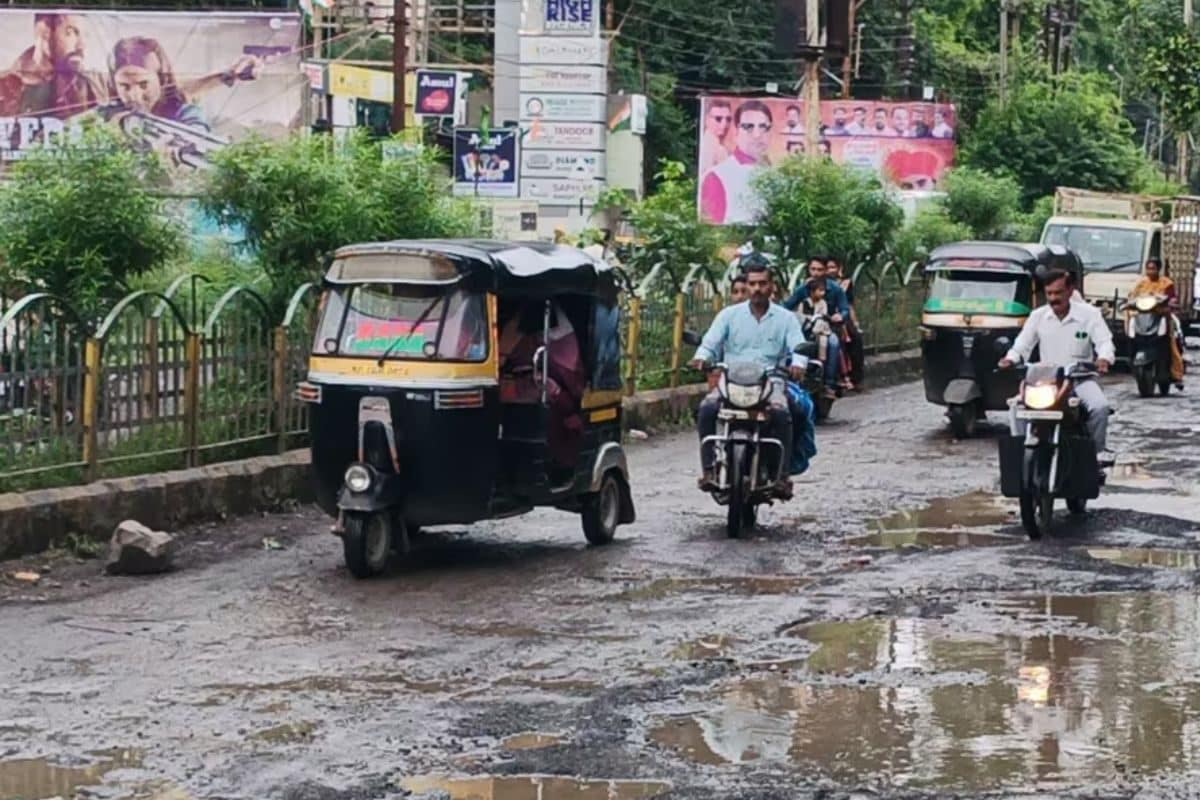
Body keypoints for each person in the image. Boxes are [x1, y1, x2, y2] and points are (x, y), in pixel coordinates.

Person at [690, 259, 806, 497]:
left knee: (785, 413)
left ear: (771, 286)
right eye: (752, 284)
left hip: (771, 382)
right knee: (707, 408)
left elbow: (799, 347)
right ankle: (710, 469)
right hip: (732, 382)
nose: (756, 289)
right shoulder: (728, 316)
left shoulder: (786, 318)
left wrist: (798, 364)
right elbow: (710, 342)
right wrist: (701, 357)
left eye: (762, 283)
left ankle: (782, 476)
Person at [999, 269, 1115, 461]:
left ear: (1070, 291)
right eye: (1049, 293)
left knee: (1100, 407)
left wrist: (1104, 358)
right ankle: (1020, 458)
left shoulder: (1089, 315)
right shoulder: (1038, 316)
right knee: (1016, 407)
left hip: (1080, 379)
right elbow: (1022, 345)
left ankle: (1095, 456)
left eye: (1058, 293)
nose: (1053, 298)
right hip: (1047, 382)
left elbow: (1104, 341)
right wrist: (1010, 358)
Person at [0, 12, 108, 118]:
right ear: (44, 33)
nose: (82, 45)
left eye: (86, 35)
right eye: (71, 33)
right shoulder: (4, 87)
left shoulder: (93, 86)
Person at [783, 258, 850, 395]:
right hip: (805, 327)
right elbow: (787, 306)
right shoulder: (803, 289)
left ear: (825, 271)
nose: (816, 273)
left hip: (826, 328)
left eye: (819, 270)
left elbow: (845, 309)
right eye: (813, 269)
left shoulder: (835, 289)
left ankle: (829, 383)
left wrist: (840, 316)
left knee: (833, 343)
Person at [700, 100, 772, 225]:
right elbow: (711, 231)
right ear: (736, 132)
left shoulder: (778, 176)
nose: (757, 135)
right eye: (748, 127)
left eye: (763, 127)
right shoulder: (717, 176)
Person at [1128, 258, 1185, 388]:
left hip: (1162, 316)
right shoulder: (1141, 283)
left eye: (1153, 268)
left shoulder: (1166, 283)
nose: (1150, 271)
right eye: (1148, 268)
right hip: (1144, 317)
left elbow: (1172, 298)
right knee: (1131, 334)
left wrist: (1171, 303)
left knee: (1172, 342)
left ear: (1158, 269)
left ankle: (1176, 372)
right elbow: (1132, 296)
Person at [828, 257, 865, 390]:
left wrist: (855, 323)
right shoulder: (818, 285)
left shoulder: (845, 284)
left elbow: (849, 305)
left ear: (839, 268)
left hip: (843, 318)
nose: (830, 270)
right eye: (828, 267)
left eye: (833, 267)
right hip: (827, 317)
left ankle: (856, 378)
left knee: (855, 339)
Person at [701, 98, 733, 171]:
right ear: (707, 120)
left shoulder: (721, 148)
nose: (724, 124)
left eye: (728, 119)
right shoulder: (707, 146)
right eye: (718, 119)